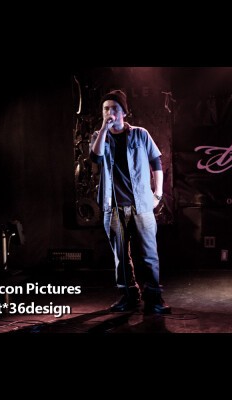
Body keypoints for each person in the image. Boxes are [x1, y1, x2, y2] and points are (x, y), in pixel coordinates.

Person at [89, 89, 171, 314]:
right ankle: (128, 295)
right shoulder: (99, 136)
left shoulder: (140, 134)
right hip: (114, 206)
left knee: (149, 254)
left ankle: (154, 298)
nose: (110, 112)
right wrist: (104, 129)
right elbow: (96, 158)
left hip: (141, 205)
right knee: (121, 256)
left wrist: (158, 193)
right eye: (106, 109)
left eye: (114, 108)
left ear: (124, 112)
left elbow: (156, 163)